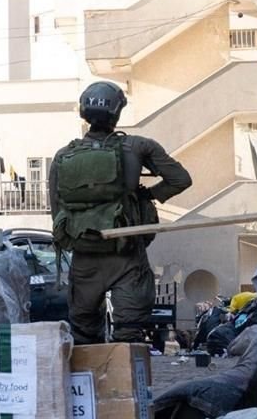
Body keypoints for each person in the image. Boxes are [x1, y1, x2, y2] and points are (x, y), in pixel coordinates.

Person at [49, 81, 192, 344]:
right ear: (117, 112)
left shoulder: (62, 156)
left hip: (84, 257)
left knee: (83, 334)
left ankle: (89, 383)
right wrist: (147, 195)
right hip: (127, 255)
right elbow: (180, 179)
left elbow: (57, 211)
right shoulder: (138, 147)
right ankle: (125, 382)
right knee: (129, 334)